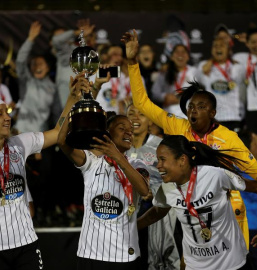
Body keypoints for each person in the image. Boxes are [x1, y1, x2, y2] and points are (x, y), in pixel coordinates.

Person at [121, 29, 257, 250]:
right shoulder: (178, 126)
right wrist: (132, 62)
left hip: (222, 211)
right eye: (191, 107)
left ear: (213, 113)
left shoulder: (228, 138)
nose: (194, 111)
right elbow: (142, 104)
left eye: (201, 107)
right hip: (188, 209)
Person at [137, 135, 257, 270]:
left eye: (162, 159)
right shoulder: (167, 187)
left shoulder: (215, 175)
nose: (158, 165)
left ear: (182, 160)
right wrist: (131, 228)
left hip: (232, 264)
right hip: (196, 266)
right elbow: (157, 212)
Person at [0, 70, 88, 269]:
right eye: (0, 114)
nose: (7, 118)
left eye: (7, 112)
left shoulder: (20, 143)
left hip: (26, 243)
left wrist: (72, 100)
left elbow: (58, 133)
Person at [58, 106, 149, 269]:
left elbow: (144, 190)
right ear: (107, 132)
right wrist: (73, 108)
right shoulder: (91, 162)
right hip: (91, 255)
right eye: (122, 129)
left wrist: (117, 156)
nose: (129, 132)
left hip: (125, 256)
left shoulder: (137, 164)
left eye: (131, 130)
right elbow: (62, 141)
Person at [126, 103, 180, 269]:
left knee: (159, 260)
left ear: (150, 121)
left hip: (155, 210)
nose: (135, 118)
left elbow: (173, 179)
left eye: (141, 114)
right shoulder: (118, 147)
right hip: (126, 210)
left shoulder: (160, 146)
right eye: (131, 114)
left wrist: (153, 193)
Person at [233, 27, 257, 164]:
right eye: (253, 42)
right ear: (247, 44)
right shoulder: (241, 58)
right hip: (254, 109)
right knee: (255, 146)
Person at [196, 37, 246, 133]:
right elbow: (196, 78)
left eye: (222, 46)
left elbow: (242, 80)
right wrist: (208, 64)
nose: (218, 48)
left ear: (228, 50)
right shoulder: (205, 67)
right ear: (211, 50)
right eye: (215, 46)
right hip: (214, 118)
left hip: (234, 117)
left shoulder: (237, 67)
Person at [151, 44, 196, 118]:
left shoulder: (194, 72)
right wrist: (165, 96)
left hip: (188, 117)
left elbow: (200, 93)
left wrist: (181, 100)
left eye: (183, 52)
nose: (180, 54)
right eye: (177, 52)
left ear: (188, 57)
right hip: (168, 116)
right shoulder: (165, 72)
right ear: (171, 57)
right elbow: (154, 92)